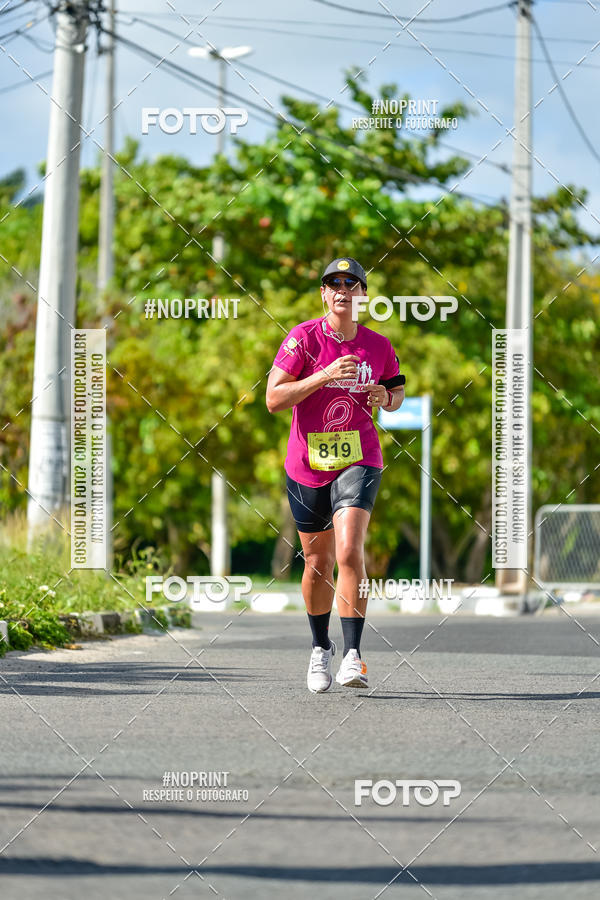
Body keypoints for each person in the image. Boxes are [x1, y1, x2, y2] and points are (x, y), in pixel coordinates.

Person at [266, 257, 405, 693]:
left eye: (352, 283)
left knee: (349, 551)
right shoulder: (303, 338)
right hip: (307, 464)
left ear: (363, 295)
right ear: (324, 294)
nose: (343, 289)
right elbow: (273, 398)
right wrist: (324, 374)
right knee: (317, 562)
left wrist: (386, 398)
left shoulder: (378, 345)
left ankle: (353, 655)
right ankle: (319, 647)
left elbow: (397, 390)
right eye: (334, 283)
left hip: (359, 457)